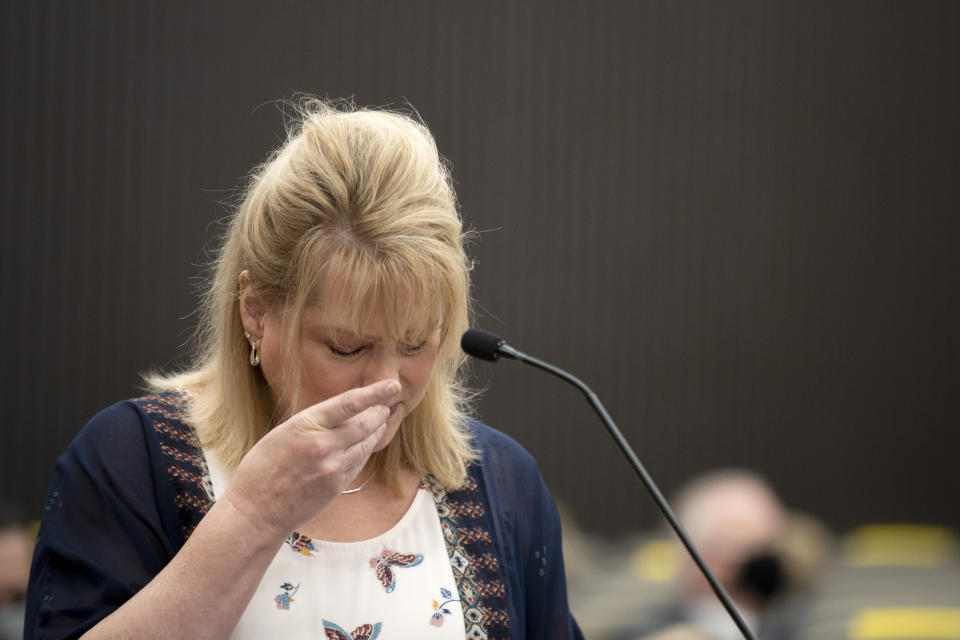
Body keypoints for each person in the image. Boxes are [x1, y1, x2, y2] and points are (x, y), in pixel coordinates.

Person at [25, 100, 584, 640]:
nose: (386, 386)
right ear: (256, 311)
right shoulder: (127, 461)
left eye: (415, 344)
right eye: (346, 347)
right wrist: (252, 516)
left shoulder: (503, 484)